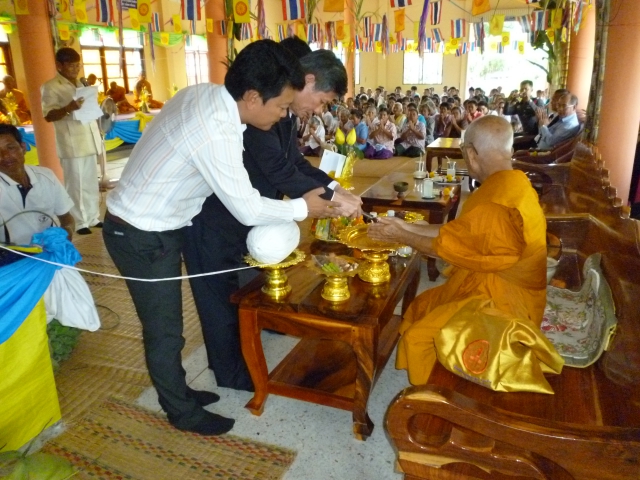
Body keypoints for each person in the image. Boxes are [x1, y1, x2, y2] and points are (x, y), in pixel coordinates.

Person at [102, 40, 343, 435]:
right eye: (282, 106)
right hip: (139, 231)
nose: (284, 114)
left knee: (169, 326)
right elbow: (246, 208)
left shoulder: (207, 96)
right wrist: (304, 208)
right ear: (253, 97)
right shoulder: (216, 130)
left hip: (162, 223)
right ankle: (181, 412)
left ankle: (179, 391)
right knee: (164, 330)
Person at [181, 43, 359, 392]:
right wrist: (328, 200)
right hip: (213, 220)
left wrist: (335, 188)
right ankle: (230, 374)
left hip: (250, 214)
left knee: (249, 283)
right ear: (309, 80)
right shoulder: (262, 110)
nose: (318, 110)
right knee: (218, 300)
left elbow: (294, 162)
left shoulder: (283, 112)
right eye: (322, 101)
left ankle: (255, 337)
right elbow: (278, 169)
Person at [368, 116, 547, 384]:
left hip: (507, 308)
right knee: (425, 303)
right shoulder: (513, 183)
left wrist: (401, 235)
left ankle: (434, 395)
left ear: (472, 154)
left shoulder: (497, 204)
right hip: (491, 281)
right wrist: (405, 226)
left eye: (464, 153)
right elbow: (459, 234)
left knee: (420, 335)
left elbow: (442, 249)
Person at [41, 48, 102, 235]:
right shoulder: (51, 86)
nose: (76, 69)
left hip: (89, 138)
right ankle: (80, 221)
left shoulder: (81, 83)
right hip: (72, 142)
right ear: (59, 65)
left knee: (90, 182)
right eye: (71, 66)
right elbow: (48, 115)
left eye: (78, 65)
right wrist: (68, 108)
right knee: (75, 184)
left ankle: (93, 217)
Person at [0, 124, 74, 244]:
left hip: (46, 249)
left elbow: (66, 219)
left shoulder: (46, 176)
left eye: (11, 148)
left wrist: (63, 237)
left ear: (23, 148)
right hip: (9, 254)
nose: (5, 156)